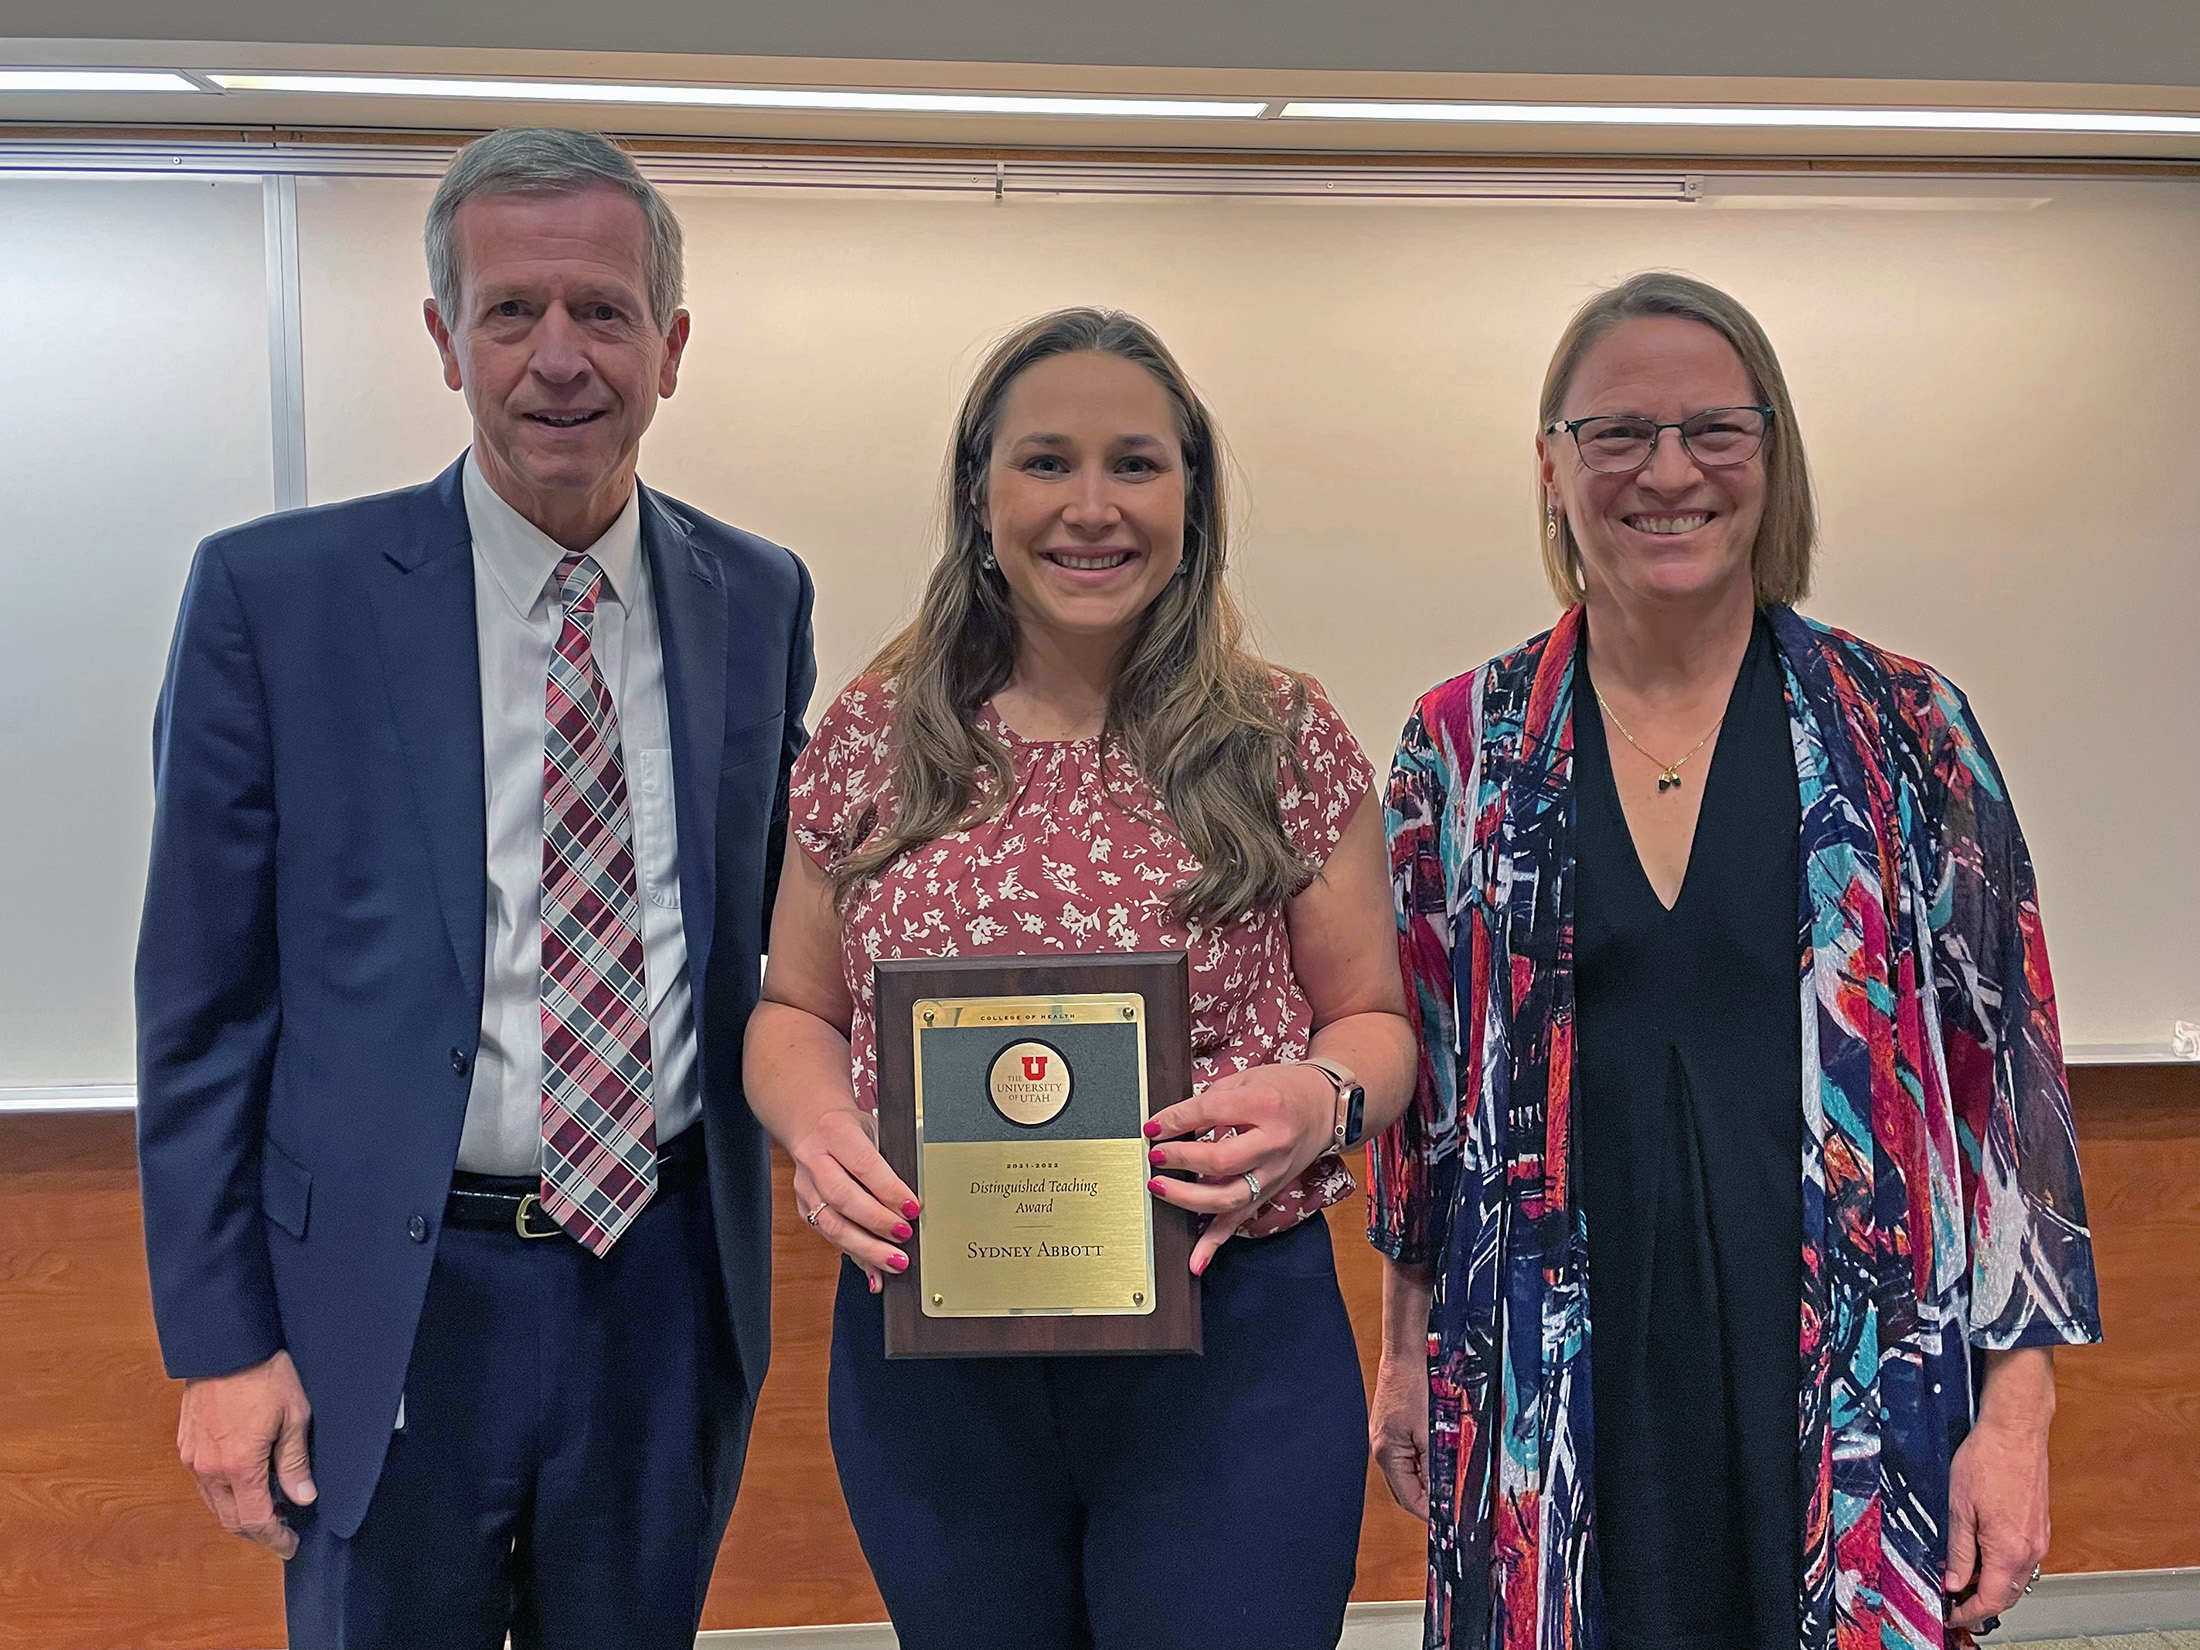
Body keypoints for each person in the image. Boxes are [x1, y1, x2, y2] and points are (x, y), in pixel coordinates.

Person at [134, 126, 814, 1649]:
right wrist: (226, 1341)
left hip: (661, 1285)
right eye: (512, 311)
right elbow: (200, 1006)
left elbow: (781, 923)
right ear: (444, 340)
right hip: (392, 1292)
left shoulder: (755, 597)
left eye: (603, 311)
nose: (559, 356)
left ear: (673, 345)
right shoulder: (275, 598)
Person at [1368, 271, 2102, 1650]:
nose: (1669, 471)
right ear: (1551, 465)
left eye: (1717, 429)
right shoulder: (1458, 747)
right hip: (1553, 1373)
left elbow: (2012, 1100)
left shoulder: (1907, 730)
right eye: (1618, 434)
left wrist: (2017, 1414)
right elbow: (1430, 1101)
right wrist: (1405, 1353)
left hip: (1851, 1374)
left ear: (1775, 459)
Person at [742, 307, 1416, 1650]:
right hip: (940, 1364)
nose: (1092, 508)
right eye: (1048, 462)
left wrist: (1325, 1097)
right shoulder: (878, 737)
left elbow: (1378, 1020)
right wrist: (818, 1130)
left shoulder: (1280, 733)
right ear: (980, 490)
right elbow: (791, 1010)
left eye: (1138, 464)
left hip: (1234, 1351)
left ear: (1192, 495)